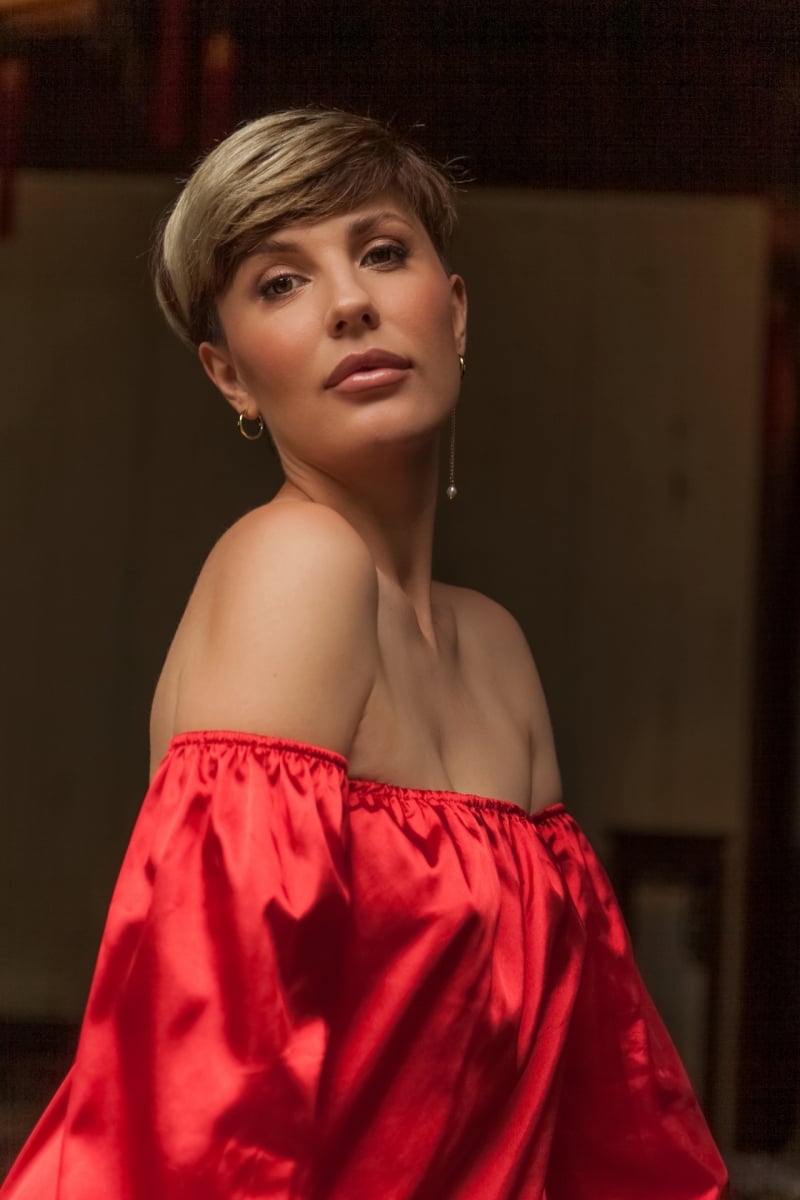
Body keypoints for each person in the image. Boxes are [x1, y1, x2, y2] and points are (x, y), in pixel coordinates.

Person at [1, 108, 728, 1199]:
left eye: (381, 253)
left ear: (456, 311)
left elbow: (586, 1121)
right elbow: (204, 1104)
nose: (349, 303)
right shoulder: (295, 565)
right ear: (229, 376)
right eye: (279, 282)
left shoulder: (496, 651)